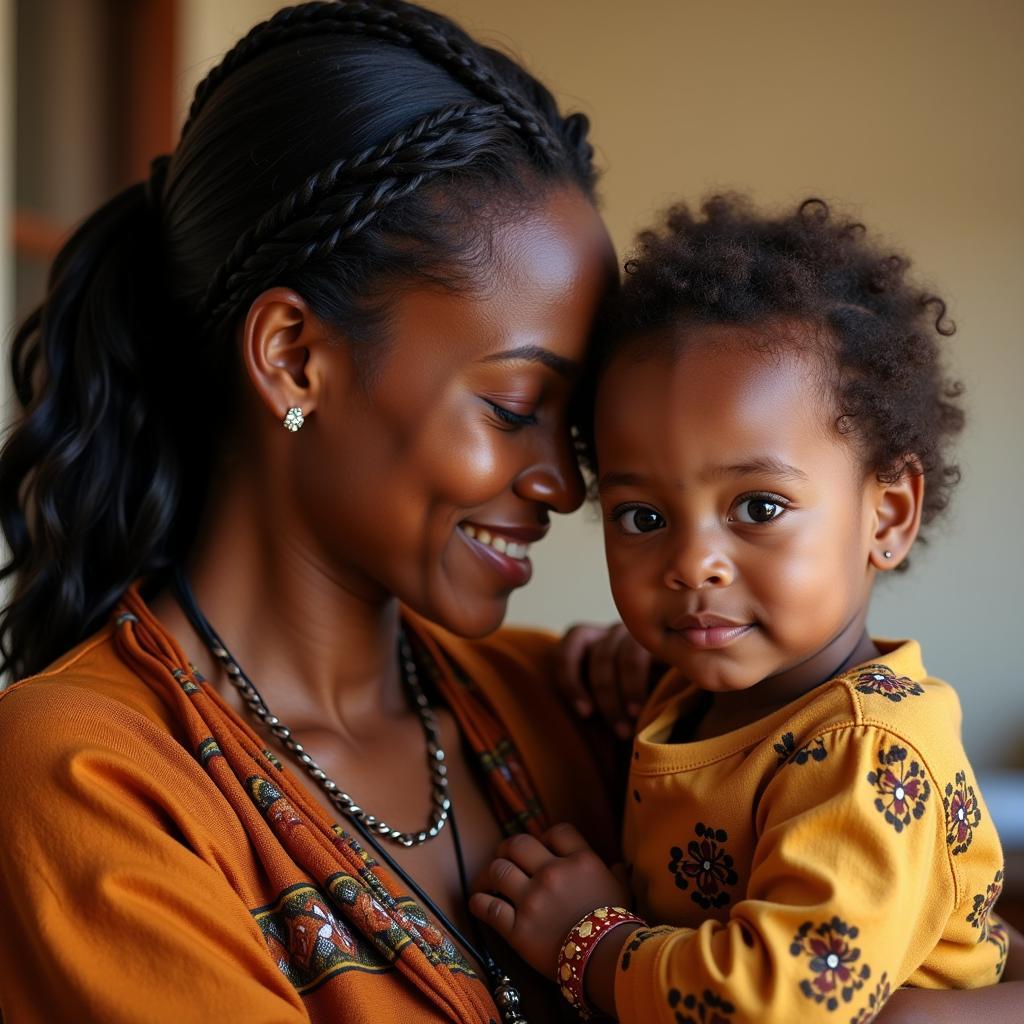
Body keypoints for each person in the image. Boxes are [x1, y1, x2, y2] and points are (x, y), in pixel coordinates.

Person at [0, 1, 1017, 1018]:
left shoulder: (592, 707)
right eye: (515, 407)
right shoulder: (88, 780)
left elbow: (937, 936)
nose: (566, 486)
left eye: (568, 429)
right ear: (294, 358)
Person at [470, 195, 1021, 1022]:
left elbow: (785, 1005)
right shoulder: (704, 696)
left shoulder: (868, 754)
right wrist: (635, 658)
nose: (692, 565)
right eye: (643, 519)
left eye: (758, 507)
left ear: (888, 515)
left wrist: (593, 941)